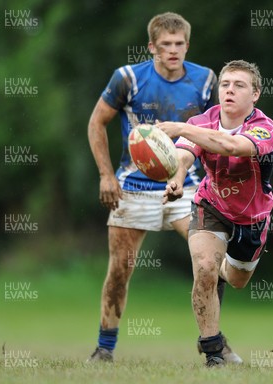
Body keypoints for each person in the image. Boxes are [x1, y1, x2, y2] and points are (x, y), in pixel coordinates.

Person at [86, 12, 241, 363]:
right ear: (152, 47)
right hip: (134, 188)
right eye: (165, 45)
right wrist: (106, 175)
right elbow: (97, 122)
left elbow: (213, 134)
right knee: (119, 271)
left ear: (188, 45)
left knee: (211, 264)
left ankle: (214, 343)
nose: (173, 51)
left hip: (187, 186)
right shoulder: (127, 78)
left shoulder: (205, 81)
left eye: (179, 44)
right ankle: (104, 350)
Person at [158, 60, 273, 367]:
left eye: (239, 85)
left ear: (255, 95)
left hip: (252, 218)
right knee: (204, 265)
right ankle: (214, 352)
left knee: (235, 279)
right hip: (210, 205)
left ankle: (222, 267)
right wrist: (176, 178)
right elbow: (184, 154)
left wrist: (183, 127)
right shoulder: (203, 121)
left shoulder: (265, 128)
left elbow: (232, 147)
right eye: (225, 84)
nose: (229, 90)